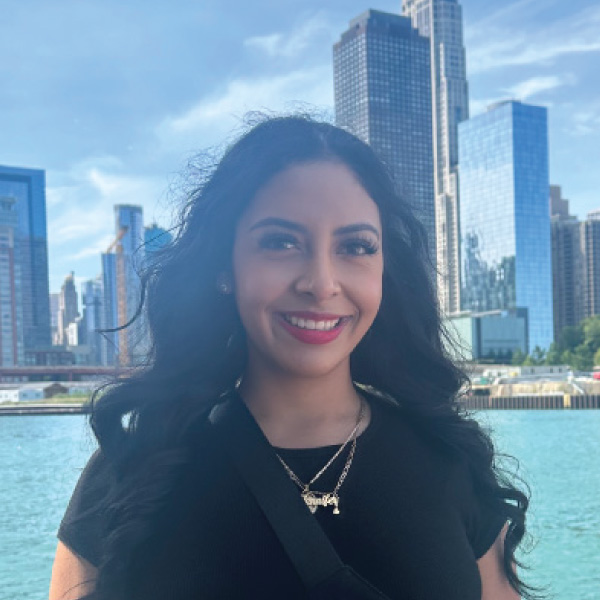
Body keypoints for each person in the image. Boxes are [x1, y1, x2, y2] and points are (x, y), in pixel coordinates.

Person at [50, 115, 532, 600]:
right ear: (225, 267)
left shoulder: (449, 462)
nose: (321, 283)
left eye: (356, 247)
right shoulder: (133, 468)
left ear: (385, 271)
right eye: (280, 242)